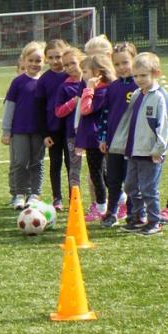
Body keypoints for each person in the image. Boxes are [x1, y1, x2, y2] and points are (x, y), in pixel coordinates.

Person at [109, 52, 168, 235]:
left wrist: (159, 149)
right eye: (135, 76)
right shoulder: (136, 94)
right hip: (133, 150)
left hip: (151, 152)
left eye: (143, 75)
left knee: (148, 189)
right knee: (130, 186)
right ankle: (138, 218)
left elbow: (163, 125)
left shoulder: (159, 97)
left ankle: (154, 222)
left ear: (155, 73)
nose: (139, 79)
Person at [2, 41, 45, 210]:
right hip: (19, 130)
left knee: (37, 162)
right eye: (31, 60)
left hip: (39, 131)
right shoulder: (18, 82)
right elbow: (9, 107)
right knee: (20, 162)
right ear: (24, 61)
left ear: (44, 61)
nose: (34, 64)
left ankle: (34, 194)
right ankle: (19, 194)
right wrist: (6, 131)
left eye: (38, 60)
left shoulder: (45, 82)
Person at [98, 41, 138, 228]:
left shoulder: (140, 86)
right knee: (113, 180)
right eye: (117, 64)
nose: (121, 67)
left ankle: (132, 213)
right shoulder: (112, 87)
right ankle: (112, 212)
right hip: (113, 143)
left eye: (125, 62)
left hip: (133, 144)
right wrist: (103, 137)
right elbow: (105, 114)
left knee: (131, 181)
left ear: (134, 60)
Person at [77, 54, 115, 221]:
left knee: (96, 172)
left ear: (97, 73)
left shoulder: (101, 91)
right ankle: (116, 199)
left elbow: (85, 109)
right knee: (102, 171)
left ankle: (101, 206)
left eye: (85, 72)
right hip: (96, 137)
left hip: (95, 138)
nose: (83, 76)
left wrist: (89, 89)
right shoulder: (104, 89)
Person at [36, 39, 71, 211]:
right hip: (53, 129)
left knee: (72, 164)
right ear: (46, 59)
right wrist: (45, 134)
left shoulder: (72, 76)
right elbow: (39, 108)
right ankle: (57, 198)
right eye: (51, 57)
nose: (55, 61)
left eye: (59, 56)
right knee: (55, 163)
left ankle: (74, 196)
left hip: (71, 129)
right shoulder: (44, 80)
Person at [54, 48, 87, 198]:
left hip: (93, 133)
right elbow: (58, 112)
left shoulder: (91, 82)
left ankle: (102, 201)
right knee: (74, 167)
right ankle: (75, 199)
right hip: (73, 134)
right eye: (66, 65)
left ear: (81, 61)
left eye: (72, 63)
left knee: (99, 167)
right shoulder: (64, 87)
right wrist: (74, 101)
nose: (69, 68)